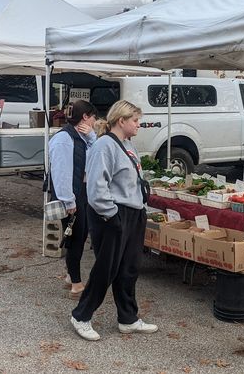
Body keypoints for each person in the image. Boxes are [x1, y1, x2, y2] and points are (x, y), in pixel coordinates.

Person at [70, 100, 156, 341]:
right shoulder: (104, 145)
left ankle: (128, 318)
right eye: (135, 120)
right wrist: (111, 214)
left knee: (129, 268)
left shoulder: (128, 144)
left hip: (133, 212)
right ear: (121, 120)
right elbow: (96, 186)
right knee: (106, 269)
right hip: (113, 215)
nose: (139, 125)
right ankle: (81, 315)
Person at [48, 100, 99, 298]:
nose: (95, 121)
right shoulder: (64, 139)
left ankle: (71, 276)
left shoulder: (82, 136)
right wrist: (69, 201)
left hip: (81, 192)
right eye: (94, 117)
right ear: (86, 117)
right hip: (71, 195)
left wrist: (92, 136)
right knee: (76, 238)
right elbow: (61, 173)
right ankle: (76, 284)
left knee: (80, 234)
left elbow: (95, 156)